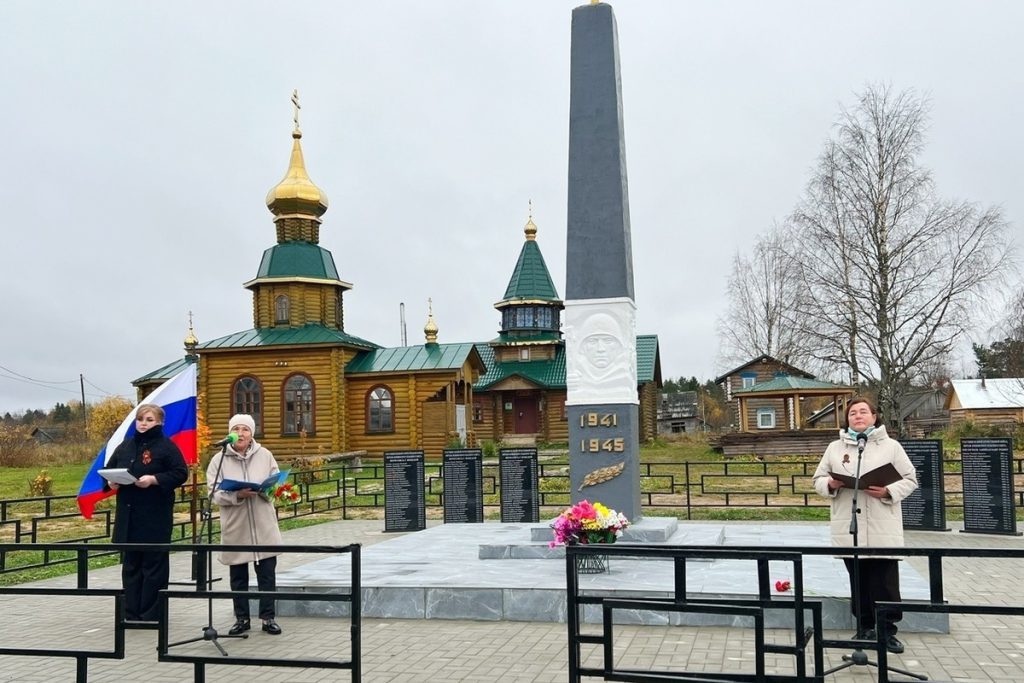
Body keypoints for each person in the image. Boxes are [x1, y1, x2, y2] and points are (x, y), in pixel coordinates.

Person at [813, 397, 918, 655]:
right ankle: (864, 627)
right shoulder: (835, 448)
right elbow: (818, 478)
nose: (857, 416)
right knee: (858, 579)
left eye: (863, 412)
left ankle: (887, 631)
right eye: (852, 413)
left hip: (882, 524)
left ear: (874, 416)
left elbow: (910, 479)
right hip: (851, 525)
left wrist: (887, 490)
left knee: (885, 581)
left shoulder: (891, 446)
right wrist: (830, 484)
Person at [105, 403, 189, 624]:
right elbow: (109, 470)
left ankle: (151, 615)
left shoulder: (166, 447)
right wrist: (111, 483)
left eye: (149, 420)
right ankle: (130, 614)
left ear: (159, 422)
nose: (143, 424)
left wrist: (154, 479)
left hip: (154, 517)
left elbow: (180, 473)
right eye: (140, 419)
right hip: (129, 516)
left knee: (153, 568)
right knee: (131, 567)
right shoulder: (126, 446)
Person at [206, 414, 284, 635]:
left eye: (245, 429)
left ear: (252, 434)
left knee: (267, 575)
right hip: (236, 526)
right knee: (238, 577)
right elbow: (213, 493)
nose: (240, 433)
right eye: (236, 429)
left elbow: (277, 484)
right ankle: (242, 619)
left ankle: (268, 618)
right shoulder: (219, 459)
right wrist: (237, 495)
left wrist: (266, 490)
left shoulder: (265, 455)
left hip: (263, 525)